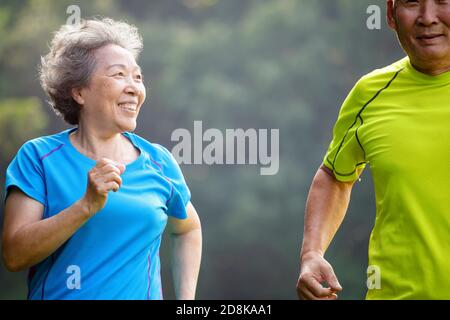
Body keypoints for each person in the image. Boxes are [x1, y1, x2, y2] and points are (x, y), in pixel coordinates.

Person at [2, 18, 202, 300]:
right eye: (119, 74)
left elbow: (188, 228)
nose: (134, 87)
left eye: (138, 77)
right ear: (79, 92)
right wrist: (86, 206)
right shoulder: (38, 158)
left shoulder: (159, 162)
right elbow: (14, 254)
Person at [297, 0, 450, 300]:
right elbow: (335, 175)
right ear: (391, 14)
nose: (427, 18)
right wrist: (312, 251)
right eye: (412, 2)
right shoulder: (370, 94)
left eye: (442, 1)